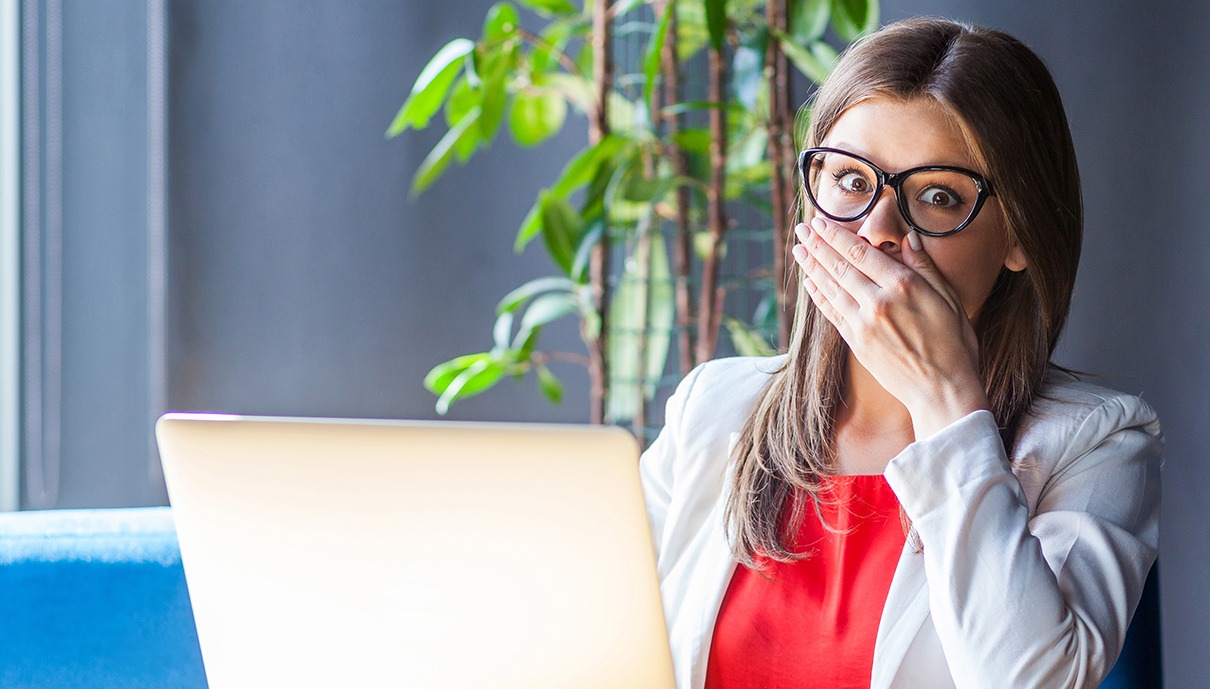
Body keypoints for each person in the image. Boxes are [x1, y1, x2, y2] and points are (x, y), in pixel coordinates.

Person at [640, 17, 1162, 689]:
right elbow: (602, 641)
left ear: (1020, 235)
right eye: (852, 181)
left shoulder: (1099, 441)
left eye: (938, 196)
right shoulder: (710, 408)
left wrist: (946, 399)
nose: (878, 230)